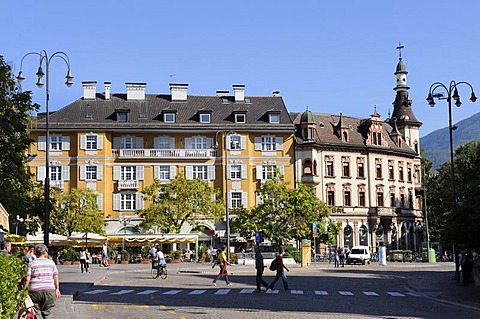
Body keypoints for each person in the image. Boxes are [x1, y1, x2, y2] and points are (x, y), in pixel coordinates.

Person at [24, 244, 61, 319]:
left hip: (35, 290)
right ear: (45, 252)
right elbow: (55, 276)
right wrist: (57, 289)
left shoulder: (32, 263)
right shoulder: (51, 263)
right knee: (47, 312)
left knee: (36, 310)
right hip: (49, 290)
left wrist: (24, 290)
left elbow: (28, 278)